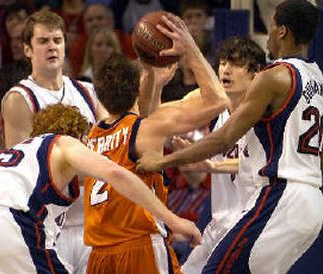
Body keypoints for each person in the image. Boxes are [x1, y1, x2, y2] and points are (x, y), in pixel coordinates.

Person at [138, 1, 323, 273]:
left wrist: (161, 163)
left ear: (282, 31)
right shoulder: (320, 81)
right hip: (311, 202)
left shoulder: (274, 76)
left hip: (280, 196)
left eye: (272, 24)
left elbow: (223, 139)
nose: (270, 30)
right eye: (224, 63)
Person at [0, 103, 201, 274]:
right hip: (7, 227)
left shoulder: (9, 156)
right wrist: (174, 220)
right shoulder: (62, 143)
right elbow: (116, 173)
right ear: (79, 136)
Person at [83, 17, 229, 272]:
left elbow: (143, 111)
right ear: (134, 88)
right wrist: (189, 47)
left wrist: (151, 74)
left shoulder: (93, 135)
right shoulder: (148, 128)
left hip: (99, 254)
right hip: (139, 245)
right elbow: (218, 100)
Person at [1, 10, 101, 274]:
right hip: (49, 227)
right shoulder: (20, 98)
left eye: (57, 40)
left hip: (92, 222)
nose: (52, 46)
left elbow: (111, 146)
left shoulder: (88, 92)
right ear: (27, 49)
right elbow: (25, 174)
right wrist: (87, 168)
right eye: (43, 41)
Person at [175, 37, 267, 273]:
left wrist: (214, 167)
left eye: (235, 64)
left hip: (248, 225)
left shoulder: (264, 117)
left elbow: (257, 163)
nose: (225, 69)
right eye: (223, 63)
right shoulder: (219, 111)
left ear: (256, 74)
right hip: (218, 223)